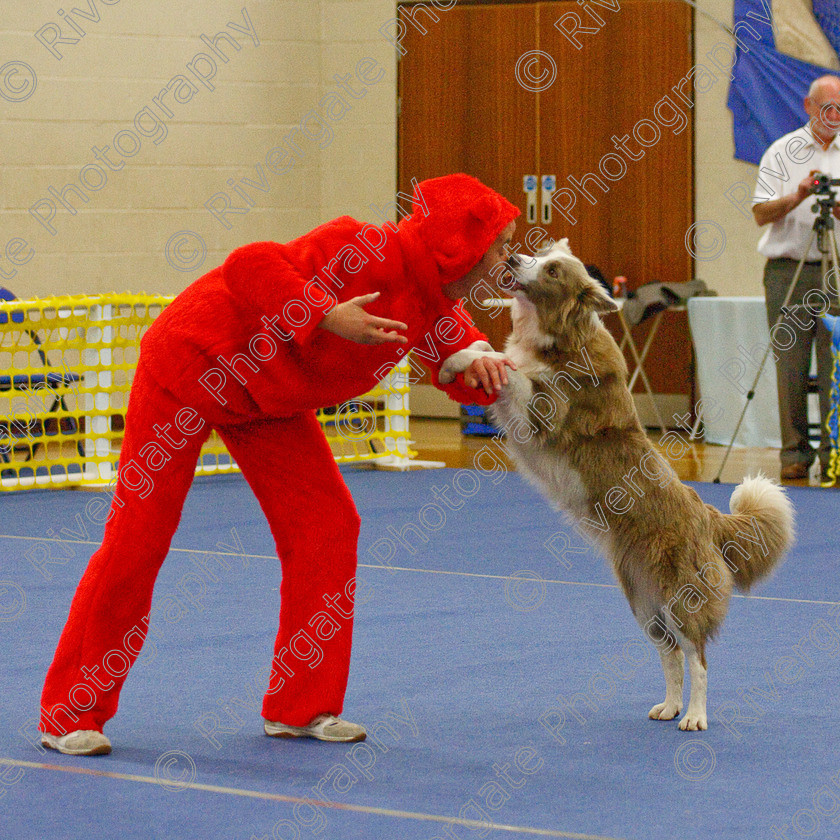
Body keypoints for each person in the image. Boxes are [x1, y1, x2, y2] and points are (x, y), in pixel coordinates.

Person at [38, 173, 519, 755]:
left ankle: (301, 705)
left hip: (269, 401)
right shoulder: (359, 245)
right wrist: (324, 313)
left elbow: (460, 360)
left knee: (328, 524)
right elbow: (249, 264)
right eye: (500, 245)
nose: (505, 261)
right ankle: (70, 712)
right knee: (138, 535)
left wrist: (489, 372)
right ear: (459, 243)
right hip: (191, 366)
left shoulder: (436, 303)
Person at [752, 75, 840, 481]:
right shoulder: (782, 151)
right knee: (790, 364)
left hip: (836, 270)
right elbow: (760, 214)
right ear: (808, 107)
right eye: (827, 108)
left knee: (834, 366)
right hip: (789, 269)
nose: (834, 115)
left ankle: (834, 453)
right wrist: (799, 196)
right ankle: (794, 453)